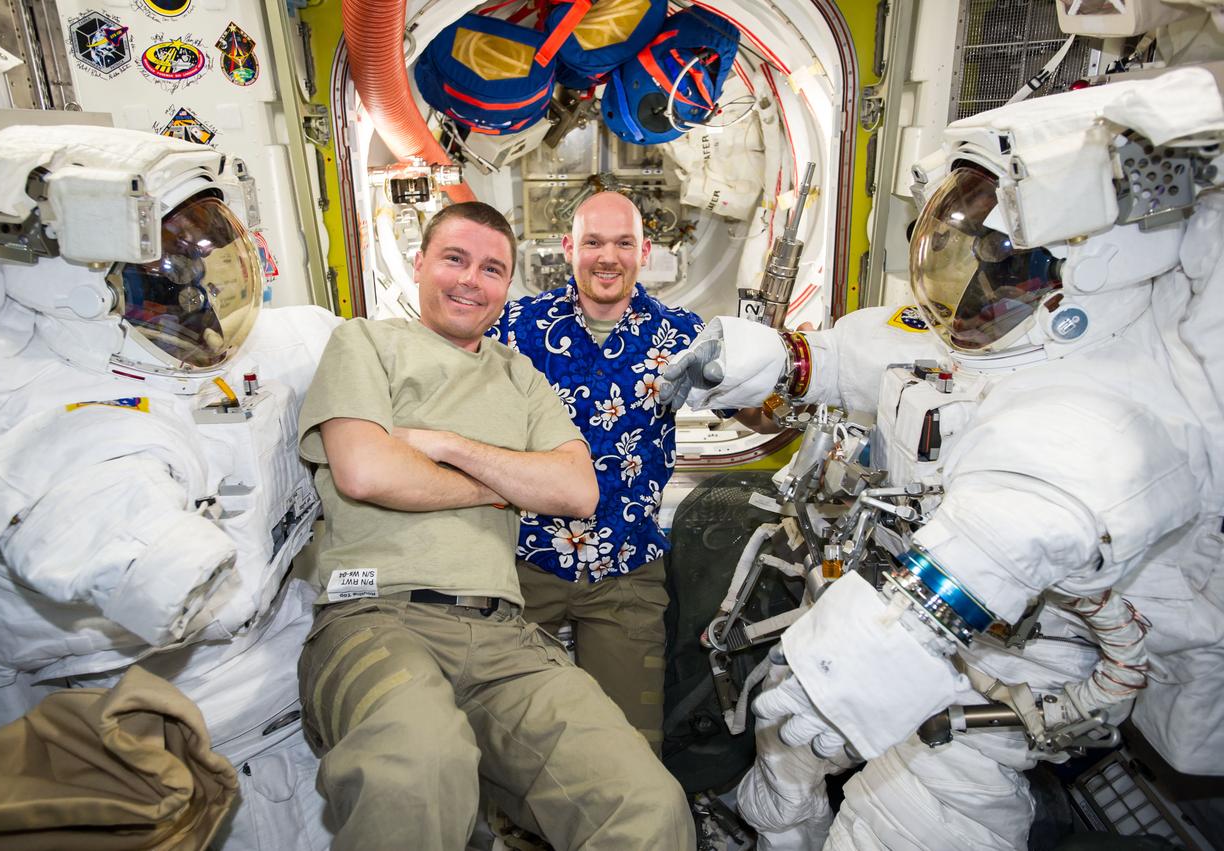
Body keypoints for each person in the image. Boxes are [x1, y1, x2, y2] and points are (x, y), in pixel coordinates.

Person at [658, 67, 1224, 849]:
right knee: (790, 712)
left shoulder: (1101, 414)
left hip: (1011, 659)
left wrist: (845, 679)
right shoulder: (1001, 341)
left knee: (909, 796)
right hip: (899, 593)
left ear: (1081, 275)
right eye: (963, 252)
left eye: (1002, 262)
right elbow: (860, 351)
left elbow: (1002, 537)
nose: (975, 282)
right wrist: (760, 361)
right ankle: (769, 823)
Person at [0, 125, 341, 849]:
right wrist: (168, 563)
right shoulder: (16, 379)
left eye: (204, 267)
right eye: (165, 281)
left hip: (285, 688)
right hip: (125, 744)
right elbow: (93, 499)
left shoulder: (283, 348)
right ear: (81, 285)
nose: (196, 304)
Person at [296, 200, 695, 850]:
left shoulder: (521, 373)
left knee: (648, 803)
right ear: (418, 262)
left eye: (491, 268)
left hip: (508, 629)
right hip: (377, 612)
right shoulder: (366, 342)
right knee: (421, 767)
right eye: (454, 258)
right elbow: (367, 471)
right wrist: (507, 485)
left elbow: (574, 488)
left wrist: (445, 448)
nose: (470, 280)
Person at [489, 191, 766, 753]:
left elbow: (753, 411)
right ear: (569, 248)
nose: (607, 257)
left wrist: (779, 370)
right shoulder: (517, 327)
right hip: (527, 562)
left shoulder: (682, 334)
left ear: (645, 252)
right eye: (593, 242)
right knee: (508, 737)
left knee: (632, 751)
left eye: (622, 243)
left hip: (627, 569)